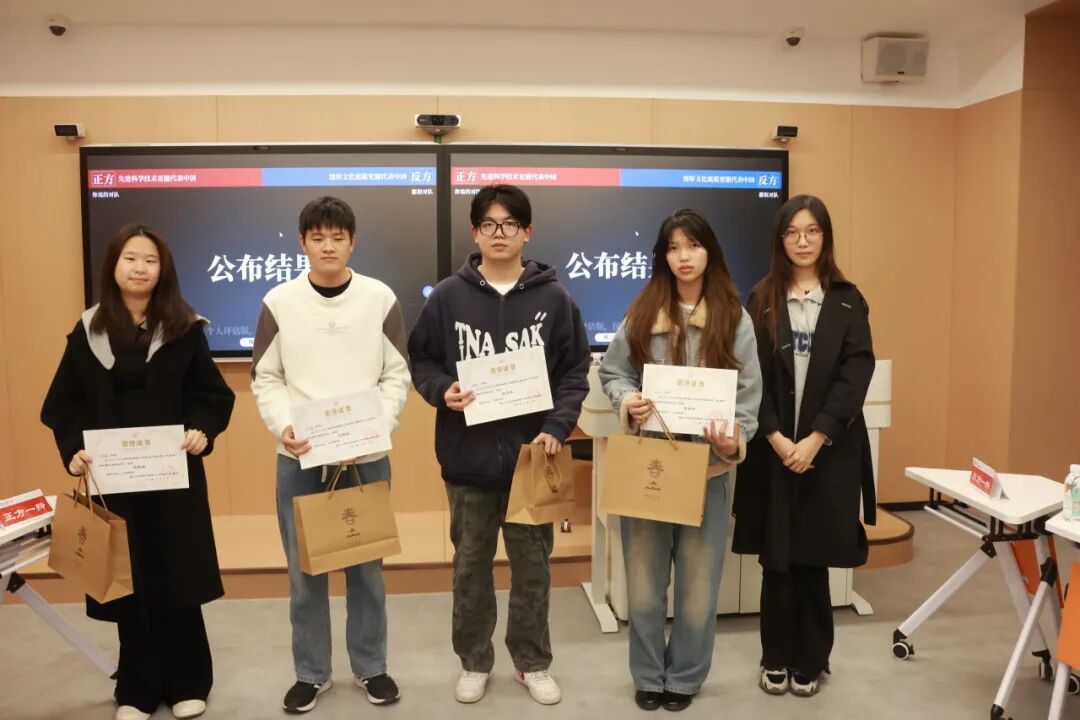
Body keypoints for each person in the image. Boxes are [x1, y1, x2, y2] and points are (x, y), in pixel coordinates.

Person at [41, 224, 235, 720]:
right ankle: (138, 688)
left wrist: (202, 430)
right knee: (128, 580)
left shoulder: (184, 328)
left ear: (162, 269)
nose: (140, 268)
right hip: (115, 481)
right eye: (131, 258)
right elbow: (63, 404)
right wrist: (73, 450)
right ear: (113, 266)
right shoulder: (89, 332)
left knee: (177, 575)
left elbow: (210, 394)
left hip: (173, 479)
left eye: (150, 260)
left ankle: (189, 680)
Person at [407, 184, 590, 706]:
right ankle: (474, 661)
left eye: (510, 224)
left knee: (533, 569)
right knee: (470, 568)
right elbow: (422, 360)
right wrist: (443, 390)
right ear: (475, 233)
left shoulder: (555, 299)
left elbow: (575, 371)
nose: (499, 233)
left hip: (534, 461)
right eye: (488, 224)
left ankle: (532, 662)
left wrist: (557, 427)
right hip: (468, 463)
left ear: (526, 232)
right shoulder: (448, 297)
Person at [251, 196, 410, 714]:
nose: (327, 246)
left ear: (352, 242)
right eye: (317, 237)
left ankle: (371, 667)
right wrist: (285, 426)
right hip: (299, 457)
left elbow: (396, 375)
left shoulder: (379, 298)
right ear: (302, 243)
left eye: (337, 237)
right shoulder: (279, 301)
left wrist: (376, 426)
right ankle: (311, 673)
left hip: (365, 456)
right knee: (305, 573)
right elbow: (266, 377)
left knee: (367, 570)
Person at [599, 208, 762, 712]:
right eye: (673, 248)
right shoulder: (644, 311)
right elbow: (614, 373)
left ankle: (686, 678)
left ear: (709, 251)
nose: (683, 256)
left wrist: (733, 439)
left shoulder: (734, 318)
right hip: (650, 466)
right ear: (662, 256)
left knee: (698, 589)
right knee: (644, 586)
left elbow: (748, 399)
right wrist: (627, 401)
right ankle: (649, 675)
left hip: (709, 472)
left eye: (692, 245)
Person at [733, 194, 877, 698]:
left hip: (827, 452)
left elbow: (856, 373)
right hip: (773, 451)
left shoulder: (847, 299)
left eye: (812, 231)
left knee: (813, 559)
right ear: (780, 239)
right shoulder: (762, 297)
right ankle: (774, 657)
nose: (802, 241)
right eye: (792, 232)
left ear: (825, 237)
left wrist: (816, 438)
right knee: (777, 559)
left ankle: (811, 660)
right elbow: (750, 374)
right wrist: (775, 436)